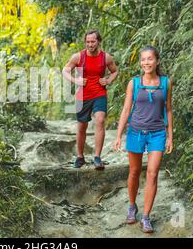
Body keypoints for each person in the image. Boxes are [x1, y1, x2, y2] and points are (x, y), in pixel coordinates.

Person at [113, 46, 173, 233]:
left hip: (157, 133)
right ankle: (132, 206)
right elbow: (125, 110)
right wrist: (118, 135)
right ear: (140, 62)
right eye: (143, 59)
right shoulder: (134, 83)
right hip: (136, 132)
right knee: (134, 171)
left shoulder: (165, 83)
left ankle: (146, 217)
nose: (146, 62)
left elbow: (169, 110)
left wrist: (170, 136)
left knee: (152, 174)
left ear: (157, 61)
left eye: (150, 59)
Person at [62, 30, 119, 170]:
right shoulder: (78, 57)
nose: (90, 44)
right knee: (82, 126)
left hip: (99, 93)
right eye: (87, 42)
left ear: (98, 41)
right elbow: (65, 70)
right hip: (83, 96)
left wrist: (108, 80)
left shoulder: (106, 58)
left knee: (100, 120)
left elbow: (115, 71)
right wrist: (76, 80)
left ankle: (97, 157)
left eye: (93, 41)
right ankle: (80, 157)